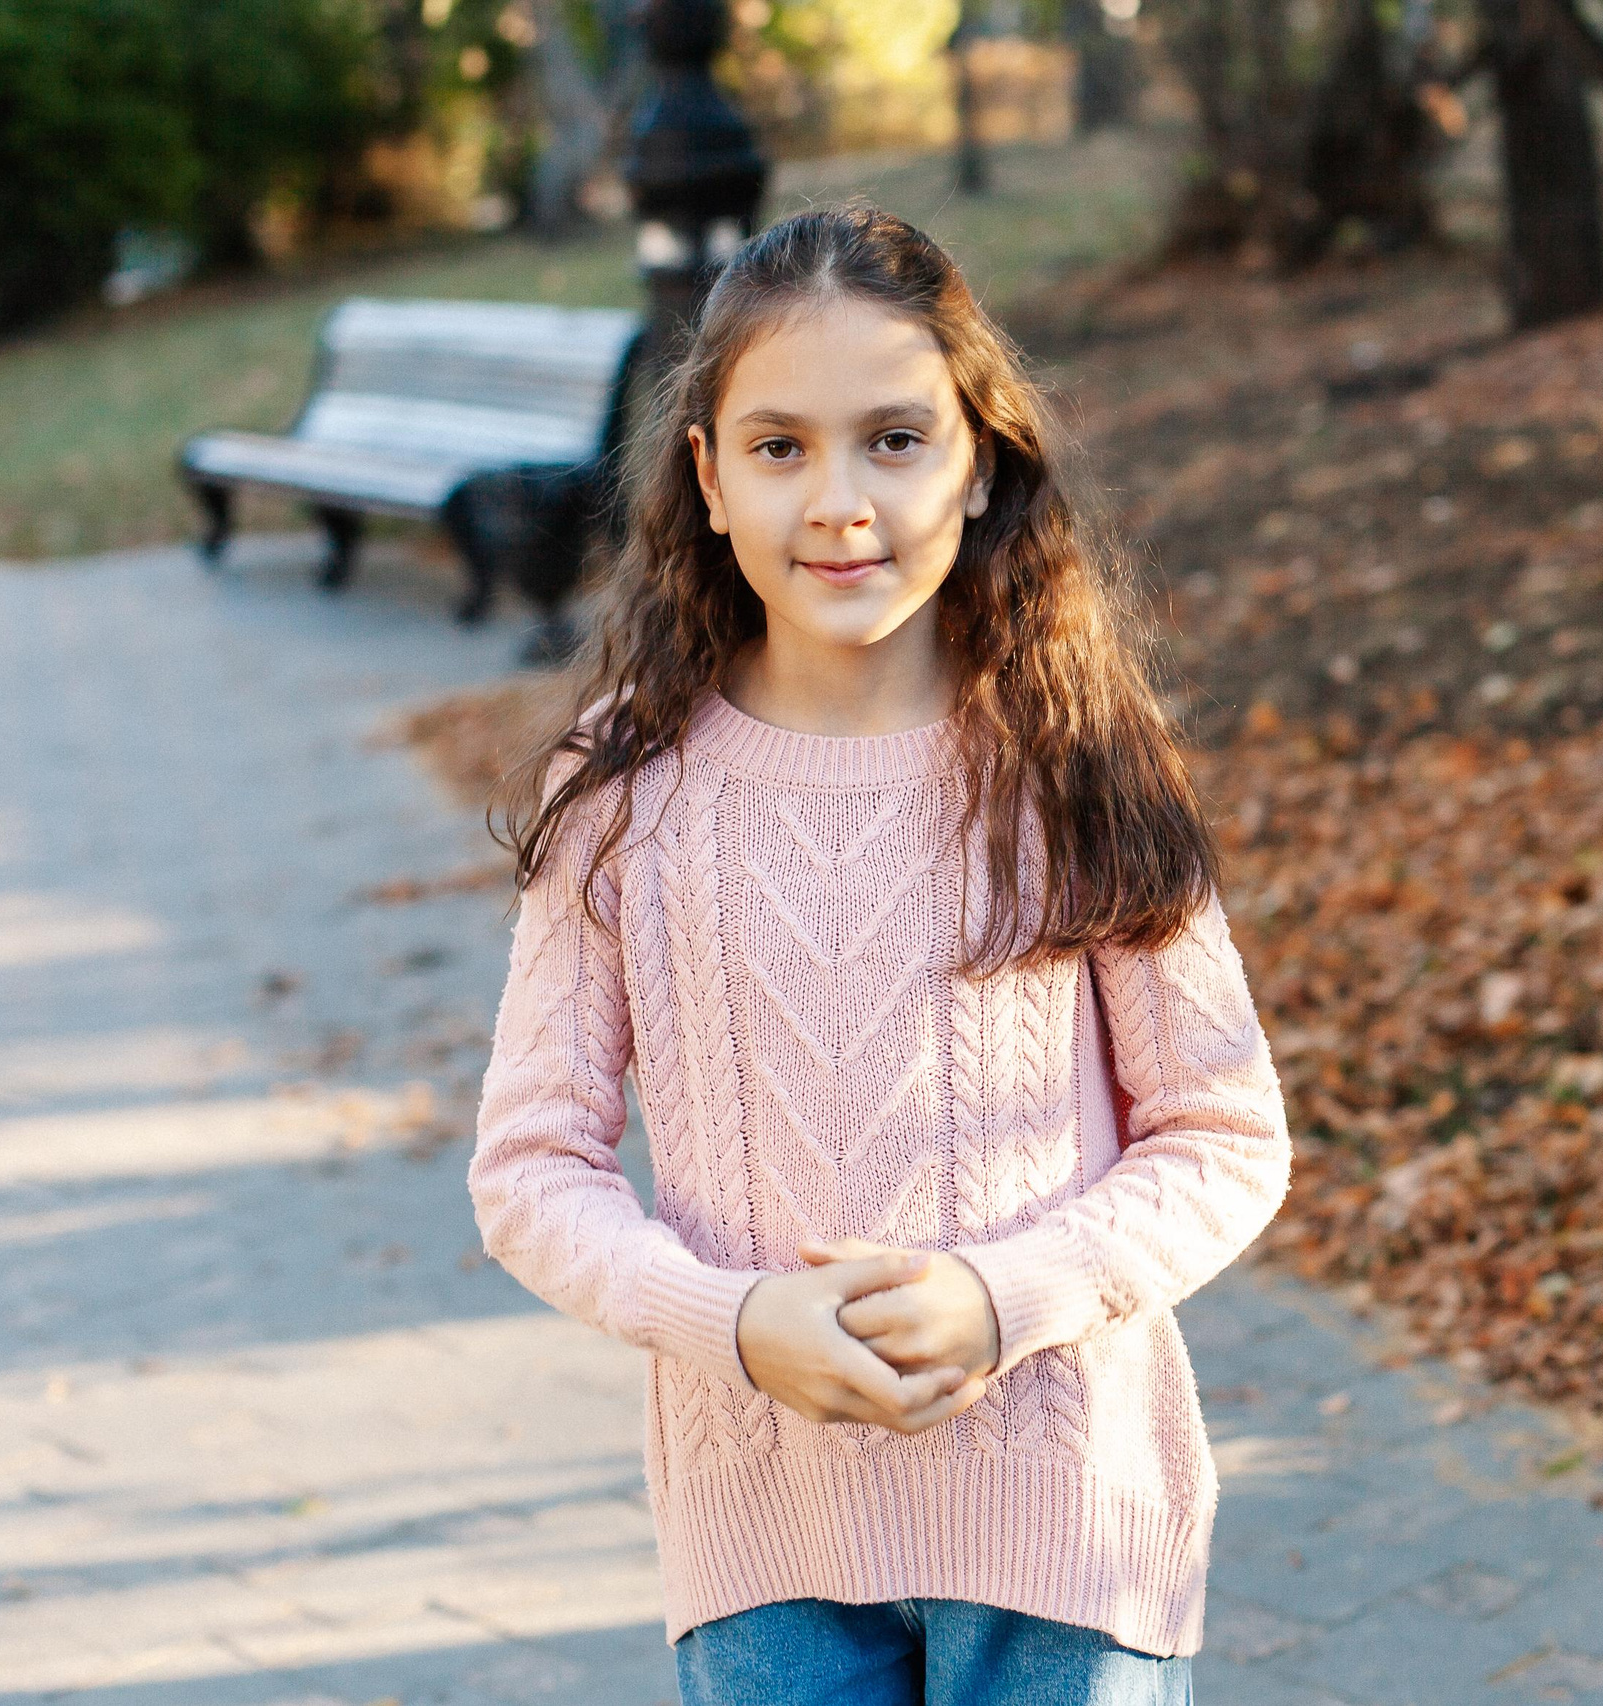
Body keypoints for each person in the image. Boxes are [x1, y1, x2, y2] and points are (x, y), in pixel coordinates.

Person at [467, 203, 1291, 1706]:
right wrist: (727, 1318)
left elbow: (1225, 1132)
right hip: (765, 1549)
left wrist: (1008, 1294)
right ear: (707, 478)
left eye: (894, 440)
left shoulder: (1075, 762)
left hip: (1069, 1535)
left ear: (977, 459)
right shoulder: (623, 793)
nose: (841, 501)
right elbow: (530, 1169)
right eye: (781, 446)